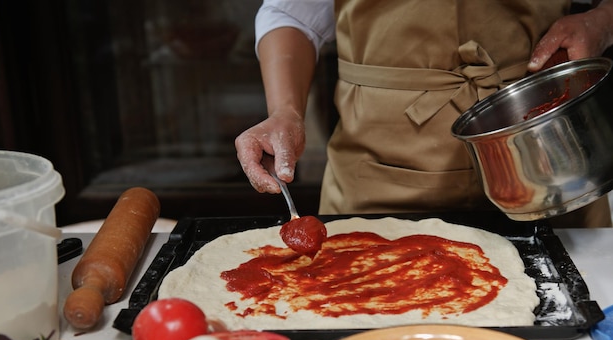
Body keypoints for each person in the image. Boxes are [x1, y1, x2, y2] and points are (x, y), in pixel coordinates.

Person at [235, 0, 613, 227]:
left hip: (537, 143)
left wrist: (604, 18)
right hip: (378, 165)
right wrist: (285, 111)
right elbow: (293, 12)